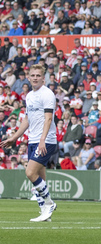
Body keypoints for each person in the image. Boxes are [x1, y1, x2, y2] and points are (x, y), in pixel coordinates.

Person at [1, 64, 58, 222]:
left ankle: (49, 203)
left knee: (30, 173)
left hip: (45, 140)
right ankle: (44, 212)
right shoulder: (30, 95)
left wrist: (42, 140)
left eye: (38, 75)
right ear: (28, 77)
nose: (35, 78)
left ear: (43, 77)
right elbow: (27, 119)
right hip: (33, 139)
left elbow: (48, 118)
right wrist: (15, 137)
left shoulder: (47, 94)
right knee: (40, 177)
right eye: (32, 75)